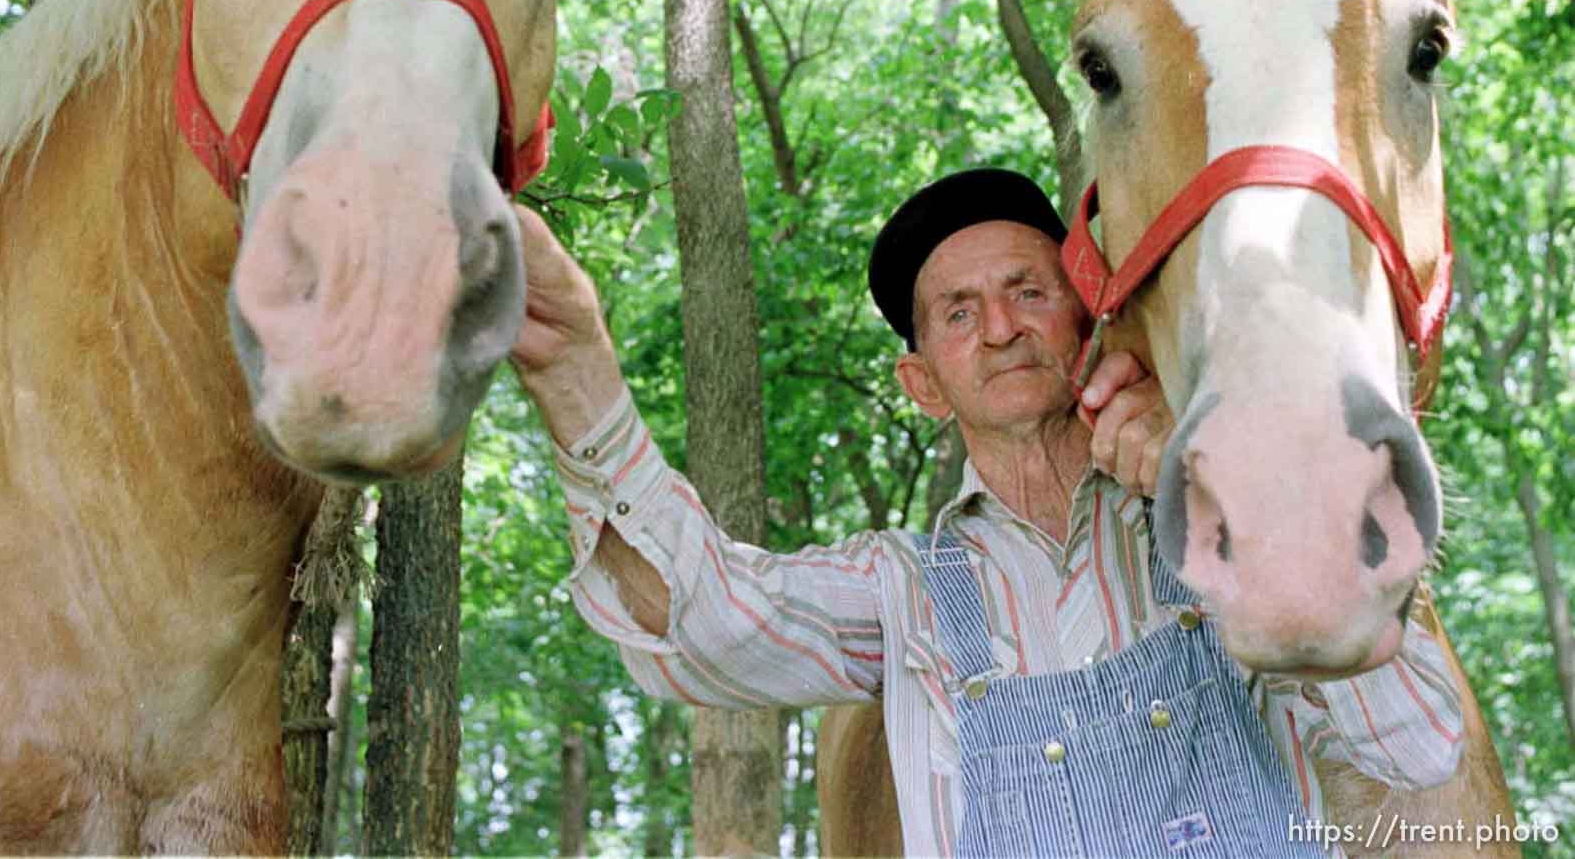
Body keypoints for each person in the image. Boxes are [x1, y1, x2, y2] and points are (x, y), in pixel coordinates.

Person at [511, 167, 1464, 857]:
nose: (1002, 327)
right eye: (959, 313)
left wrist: (1234, 488)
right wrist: (572, 368)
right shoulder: (900, 590)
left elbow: (1418, 744)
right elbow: (699, 621)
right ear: (924, 383)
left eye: (1028, 292)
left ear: (1089, 324)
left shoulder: (1212, 522)